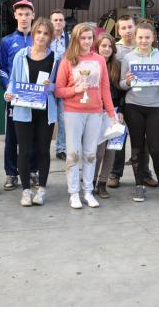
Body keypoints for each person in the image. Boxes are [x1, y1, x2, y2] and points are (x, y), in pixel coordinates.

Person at [55, 23, 117, 209]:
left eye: (90, 38)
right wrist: (75, 90)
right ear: (76, 39)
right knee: (73, 153)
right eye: (83, 38)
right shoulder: (67, 60)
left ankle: (88, 191)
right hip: (73, 112)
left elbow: (105, 88)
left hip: (95, 113)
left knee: (90, 153)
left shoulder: (99, 60)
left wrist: (111, 113)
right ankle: (74, 193)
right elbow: (58, 90)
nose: (87, 41)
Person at [4, 18, 60, 207]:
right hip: (23, 110)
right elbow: (13, 80)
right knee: (24, 151)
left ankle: (41, 189)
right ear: (33, 34)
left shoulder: (56, 58)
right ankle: (26, 191)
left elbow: (59, 86)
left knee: (43, 150)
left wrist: (50, 86)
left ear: (51, 37)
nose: (41, 36)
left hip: (45, 111)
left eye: (46, 33)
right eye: (39, 32)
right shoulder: (21, 55)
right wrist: (8, 93)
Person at [119, 21, 159, 202]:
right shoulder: (128, 58)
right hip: (133, 106)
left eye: (147, 37)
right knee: (137, 147)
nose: (143, 41)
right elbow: (122, 84)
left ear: (153, 38)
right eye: (140, 37)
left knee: (156, 146)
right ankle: (139, 185)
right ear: (136, 38)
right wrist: (127, 81)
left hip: (155, 107)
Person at [108, 14, 157, 189]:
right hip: (119, 96)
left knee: (142, 140)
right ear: (118, 30)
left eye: (130, 27)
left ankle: (145, 173)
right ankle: (115, 173)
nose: (127, 30)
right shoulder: (115, 49)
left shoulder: (144, 45)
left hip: (139, 100)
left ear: (135, 28)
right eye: (123, 28)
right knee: (118, 137)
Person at [0, 0, 37, 191]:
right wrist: (8, 88)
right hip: (14, 98)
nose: (23, 18)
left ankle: (32, 171)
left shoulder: (39, 39)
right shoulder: (7, 41)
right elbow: (2, 68)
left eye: (27, 14)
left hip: (35, 98)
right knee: (12, 137)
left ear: (33, 16)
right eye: (20, 14)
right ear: (15, 16)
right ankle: (11, 173)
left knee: (34, 136)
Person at [93, 33, 125, 199]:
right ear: (97, 47)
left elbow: (123, 92)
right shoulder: (91, 64)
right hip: (96, 113)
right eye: (103, 46)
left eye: (109, 46)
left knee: (111, 151)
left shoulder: (118, 66)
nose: (106, 49)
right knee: (98, 152)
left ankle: (102, 184)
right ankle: (91, 181)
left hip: (114, 112)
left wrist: (121, 111)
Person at [50, 9, 70, 161]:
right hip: (48, 84)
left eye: (60, 20)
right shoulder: (45, 37)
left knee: (63, 118)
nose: (58, 22)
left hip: (65, 84)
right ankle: (42, 147)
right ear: (51, 22)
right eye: (55, 20)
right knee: (46, 119)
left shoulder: (70, 39)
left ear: (64, 22)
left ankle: (61, 148)